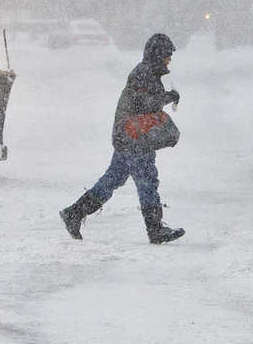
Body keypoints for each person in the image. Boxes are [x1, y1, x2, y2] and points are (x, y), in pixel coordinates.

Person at [59, 33, 186, 244]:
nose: (169, 59)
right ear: (157, 55)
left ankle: (74, 213)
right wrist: (169, 97)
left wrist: (165, 98)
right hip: (134, 138)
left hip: (126, 136)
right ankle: (155, 230)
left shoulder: (146, 72)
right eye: (167, 55)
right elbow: (145, 104)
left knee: (113, 179)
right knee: (147, 180)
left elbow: (143, 103)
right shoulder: (144, 74)